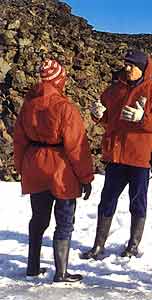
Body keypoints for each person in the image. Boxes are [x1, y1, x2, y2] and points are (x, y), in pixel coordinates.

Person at [81, 49, 152, 260]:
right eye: (126, 64)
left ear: (142, 68)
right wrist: (99, 115)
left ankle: (133, 245)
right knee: (107, 200)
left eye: (131, 65)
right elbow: (107, 117)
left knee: (137, 202)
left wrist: (143, 118)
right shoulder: (114, 90)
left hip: (140, 158)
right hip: (116, 156)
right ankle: (98, 246)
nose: (127, 68)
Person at [13, 59, 94, 283]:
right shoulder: (64, 107)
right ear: (59, 80)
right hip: (61, 168)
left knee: (38, 218)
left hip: (34, 164)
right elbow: (77, 146)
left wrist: (21, 167)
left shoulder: (28, 105)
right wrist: (86, 178)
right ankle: (61, 272)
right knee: (64, 220)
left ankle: (32, 266)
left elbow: (19, 141)